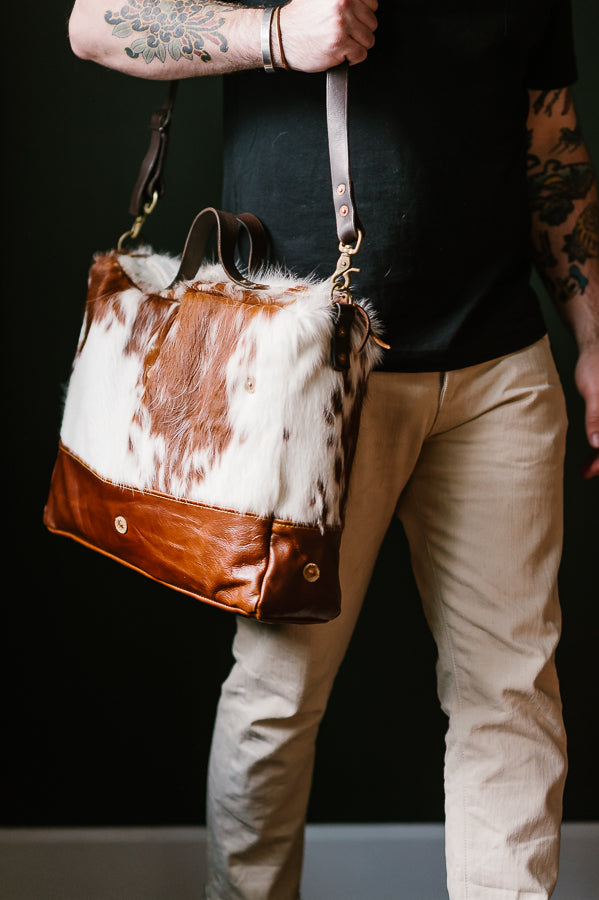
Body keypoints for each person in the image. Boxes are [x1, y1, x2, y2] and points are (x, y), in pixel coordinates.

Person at [67, 1, 599, 897]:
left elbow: (549, 145)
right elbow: (94, 24)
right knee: (276, 698)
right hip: (306, 367)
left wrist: (590, 331)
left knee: (511, 701)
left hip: (499, 365)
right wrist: (275, 34)